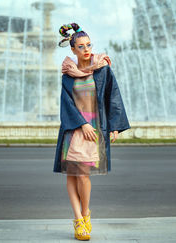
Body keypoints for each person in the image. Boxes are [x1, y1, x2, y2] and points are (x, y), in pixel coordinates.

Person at [53, 23, 130, 241]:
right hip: (74, 128)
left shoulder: (102, 69)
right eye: (81, 46)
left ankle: (86, 212)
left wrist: (114, 125)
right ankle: (78, 220)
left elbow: (112, 96)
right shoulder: (68, 73)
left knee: (84, 175)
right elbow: (66, 103)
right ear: (73, 50)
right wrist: (81, 124)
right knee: (71, 174)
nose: (86, 49)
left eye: (89, 45)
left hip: (95, 128)